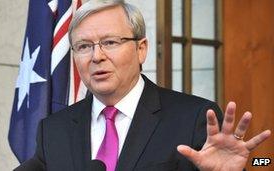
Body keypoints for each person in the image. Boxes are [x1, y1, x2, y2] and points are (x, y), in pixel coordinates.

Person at [15, 0, 271, 170]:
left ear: (141, 49)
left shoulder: (193, 118)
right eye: (83, 47)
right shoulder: (53, 130)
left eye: (111, 42)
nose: (97, 56)